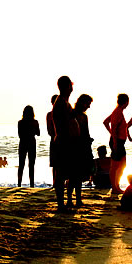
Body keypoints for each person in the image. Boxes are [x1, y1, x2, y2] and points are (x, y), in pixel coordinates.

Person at [52, 76, 78, 212]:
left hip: (66, 141)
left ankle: (64, 202)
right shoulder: (61, 102)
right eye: (71, 86)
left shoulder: (64, 102)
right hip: (63, 142)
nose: (72, 89)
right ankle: (61, 204)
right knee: (61, 174)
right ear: (67, 86)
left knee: (67, 173)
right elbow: (65, 121)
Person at [68, 94, 94, 207]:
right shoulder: (73, 115)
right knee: (74, 175)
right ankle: (71, 199)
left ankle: (77, 198)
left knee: (77, 175)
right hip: (74, 147)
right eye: (88, 104)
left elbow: (86, 133)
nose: (88, 106)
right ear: (83, 103)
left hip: (82, 147)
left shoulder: (83, 116)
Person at [103, 94, 129, 194]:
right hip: (117, 141)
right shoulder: (117, 112)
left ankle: (116, 185)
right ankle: (114, 188)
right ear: (126, 102)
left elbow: (106, 122)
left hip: (120, 141)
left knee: (122, 165)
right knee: (114, 166)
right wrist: (114, 140)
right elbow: (113, 127)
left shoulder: (118, 111)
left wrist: (112, 135)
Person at [18, 105, 40, 188]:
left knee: (21, 164)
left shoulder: (20, 122)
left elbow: (20, 135)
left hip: (23, 143)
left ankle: (19, 183)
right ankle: (31, 184)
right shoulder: (35, 122)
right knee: (31, 165)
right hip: (31, 142)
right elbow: (38, 133)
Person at [46, 95, 58, 185]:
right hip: (55, 140)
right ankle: (55, 182)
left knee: (56, 163)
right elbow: (49, 131)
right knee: (55, 163)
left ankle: (57, 182)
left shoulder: (50, 114)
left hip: (55, 139)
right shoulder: (50, 114)